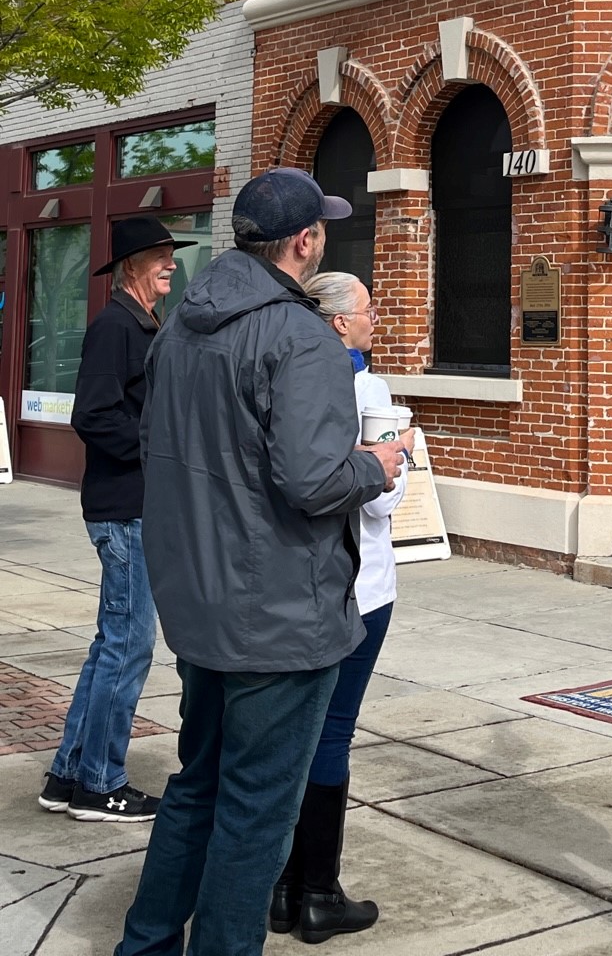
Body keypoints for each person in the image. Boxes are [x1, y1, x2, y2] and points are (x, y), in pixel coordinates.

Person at [113, 168, 410, 956]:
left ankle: (145, 944)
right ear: (305, 240)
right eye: (322, 230)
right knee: (255, 813)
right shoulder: (301, 336)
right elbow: (314, 481)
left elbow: (177, 455)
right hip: (280, 616)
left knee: (196, 788)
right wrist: (376, 465)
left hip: (203, 605)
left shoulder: (181, 326)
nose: (324, 241)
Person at [39, 217, 195, 822]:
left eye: (170, 256)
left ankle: (69, 776)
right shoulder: (115, 326)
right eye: (160, 256)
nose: (171, 265)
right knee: (128, 648)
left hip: (135, 507)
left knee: (113, 646)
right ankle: (102, 784)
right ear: (132, 264)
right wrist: (161, 445)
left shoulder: (141, 321)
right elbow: (94, 417)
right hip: (124, 509)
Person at [269, 270, 407, 944]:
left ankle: (276, 882)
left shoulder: (278, 377)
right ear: (336, 322)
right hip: (360, 585)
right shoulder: (366, 388)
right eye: (367, 309)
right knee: (332, 731)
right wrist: (397, 458)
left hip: (290, 583)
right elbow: (380, 501)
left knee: (289, 730)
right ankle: (317, 891)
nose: (375, 318)